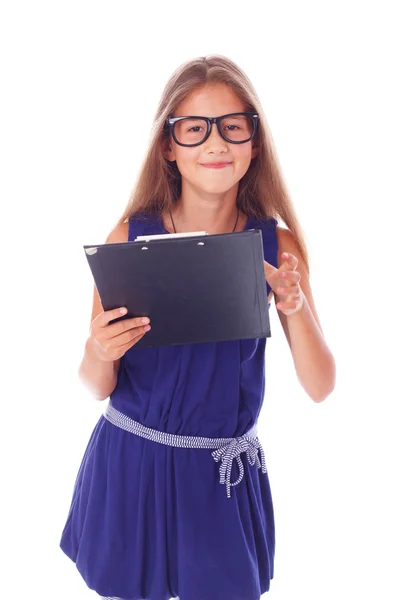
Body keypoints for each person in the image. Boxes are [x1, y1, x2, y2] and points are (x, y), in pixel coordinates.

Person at [59, 55, 336, 600]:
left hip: (221, 479)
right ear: (168, 145)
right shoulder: (130, 238)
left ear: (255, 142)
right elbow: (97, 385)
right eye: (194, 129)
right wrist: (98, 347)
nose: (217, 144)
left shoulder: (275, 247)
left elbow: (321, 386)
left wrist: (294, 304)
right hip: (132, 465)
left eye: (234, 126)